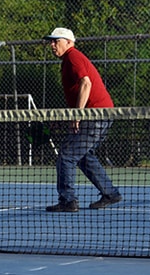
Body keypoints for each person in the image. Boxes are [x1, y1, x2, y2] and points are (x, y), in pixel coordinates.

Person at [42, 27, 124, 212]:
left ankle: (68, 201)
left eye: (56, 41)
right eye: (51, 42)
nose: (52, 45)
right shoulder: (68, 60)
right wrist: (70, 116)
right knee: (84, 156)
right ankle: (110, 193)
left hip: (95, 115)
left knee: (67, 155)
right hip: (101, 114)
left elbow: (86, 83)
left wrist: (77, 115)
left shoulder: (73, 56)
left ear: (69, 42)